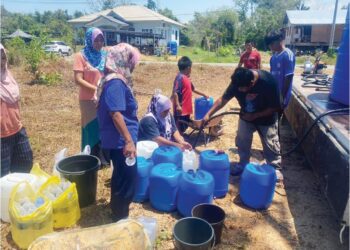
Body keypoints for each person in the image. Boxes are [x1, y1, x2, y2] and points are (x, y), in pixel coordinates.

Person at [202, 67, 283, 181]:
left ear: (251, 83)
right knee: (242, 140)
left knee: (270, 143)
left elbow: (276, 107)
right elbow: (223, 100)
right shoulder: (238, 82)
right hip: (246, 116)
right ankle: (243, 163)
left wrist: (255, 115)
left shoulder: (268, 82)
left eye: (242, 88)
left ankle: (274, 167)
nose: (239, 90)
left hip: (267, 118)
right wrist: (208, 114)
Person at [97, 43, 140, 221]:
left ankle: (117, 209)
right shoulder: (115, 82)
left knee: (120, 175)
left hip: (120, 139)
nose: (133, 66)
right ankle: (121, 216)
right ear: (123, 60)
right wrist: (129, 141)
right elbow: (115, 113)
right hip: (122, 141)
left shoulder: (114, 79)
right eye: (131, 62)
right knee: (127, 179)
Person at [73, 27, 109, 165]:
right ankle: (91, 159)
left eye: (101, 40)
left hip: (102, 97)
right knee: (91, 127)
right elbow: (78, 79)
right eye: (96, 40)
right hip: (87, 99)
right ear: (89, 40)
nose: (99, 43)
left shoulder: (104, 55)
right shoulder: (81, 56)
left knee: (103, 126)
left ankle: (103, 159)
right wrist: (96, 88)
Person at [1, 43, 33, 177]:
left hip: (17, 130)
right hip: (1, 136)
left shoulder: (8, 76)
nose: (1, 61)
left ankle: (16, 196)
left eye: (3, 57)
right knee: (2, 175)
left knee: (24, 165)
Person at [172, 56, 208, 134]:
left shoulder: (187, 78)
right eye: (191, 68)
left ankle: (181, 134)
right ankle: (178, 137)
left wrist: (204, 94)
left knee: (185, 124)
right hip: (181, 109)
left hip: (186, 109)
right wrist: (178, 105)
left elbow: (193, 89)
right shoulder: (179, 77)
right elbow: (175, 92)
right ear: (188, 68)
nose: (191, 70)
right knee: (179, 124)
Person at [265, 30, 296, 110]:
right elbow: (272, 75)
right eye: (269, 45)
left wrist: (281, 97)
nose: (270, 47)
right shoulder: (273, 57)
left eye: (272, 44)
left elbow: (288, 77)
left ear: (280, 40)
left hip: (282, 96)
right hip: (274, 94)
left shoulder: (287, 55)